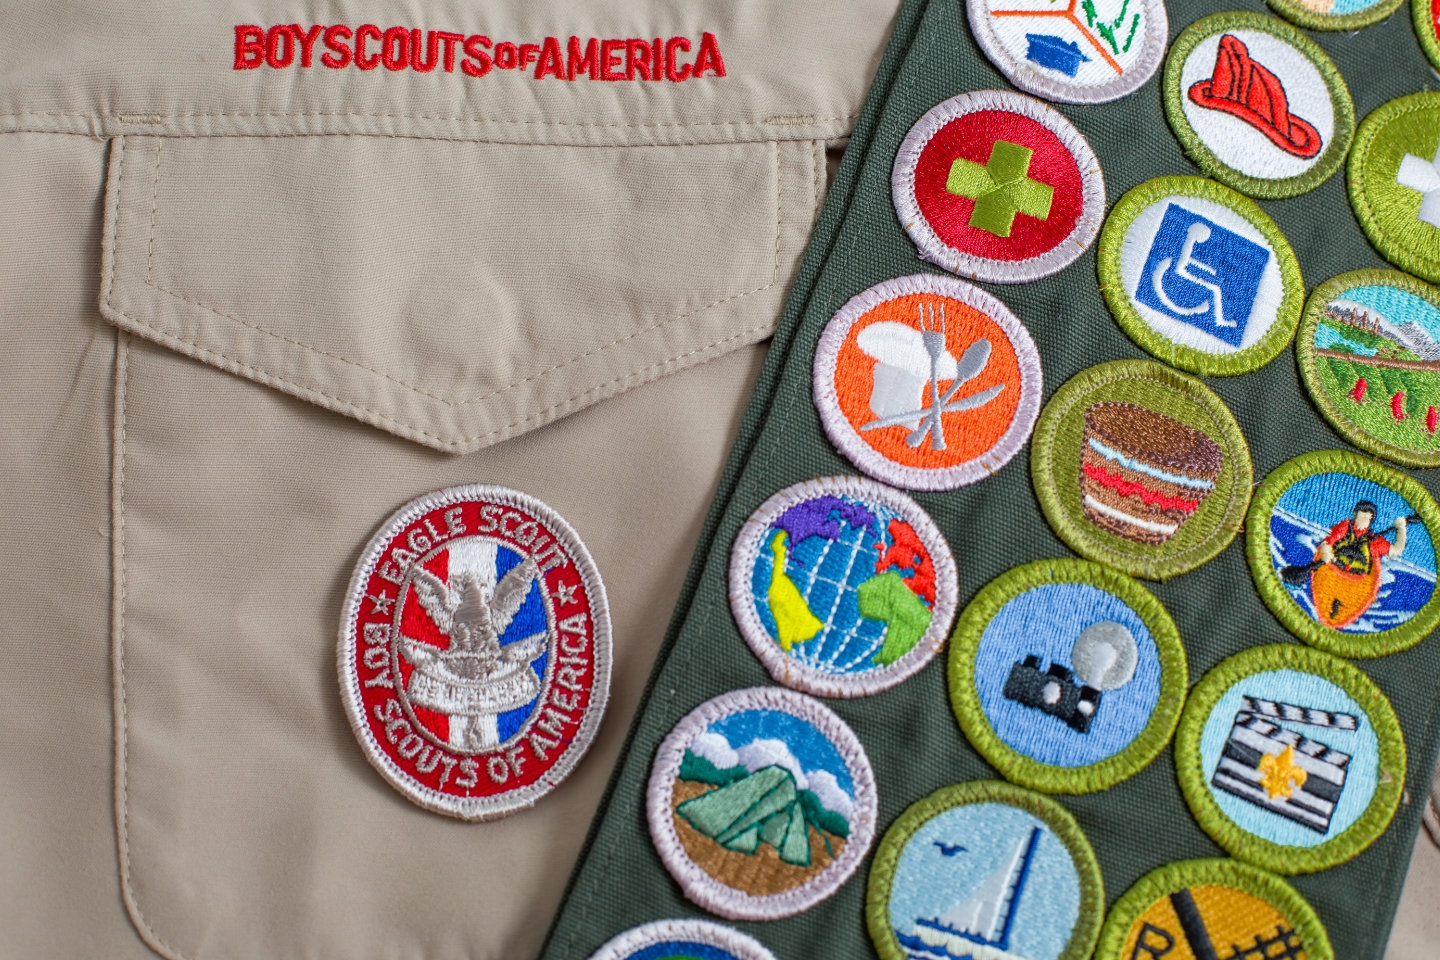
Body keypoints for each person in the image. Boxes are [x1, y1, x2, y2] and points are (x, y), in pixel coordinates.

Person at [1318, 500, 1408, 573]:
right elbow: (1329, 541)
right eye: (1362, 515)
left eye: (1367, 517)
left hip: (1356, 573)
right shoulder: (1345, 527)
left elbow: (1396, 550)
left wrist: (1401, 528)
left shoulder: (1374, 542)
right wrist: (1327, 551)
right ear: (1355, 514)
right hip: (1335, 564)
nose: (1364, 519)